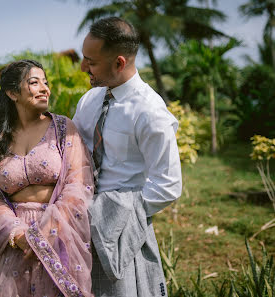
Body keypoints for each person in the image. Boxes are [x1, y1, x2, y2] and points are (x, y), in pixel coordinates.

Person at [73, 17, 182, 297]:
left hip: (122, 236)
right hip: (77, 227)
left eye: (91, 62)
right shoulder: (89, 101)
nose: (84, 67)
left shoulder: (150, 112)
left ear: (119, 63)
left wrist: (115, 216)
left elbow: (168, 184)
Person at [0, 59, 95, 297]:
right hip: (17, 242)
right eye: (35, 82)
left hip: (59, 232)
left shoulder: (63, 128)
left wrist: (45, 232)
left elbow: (78, 183)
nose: (46, 88)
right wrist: (18, 233)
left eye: (46, 82)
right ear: (13, 93)